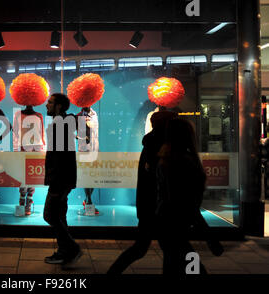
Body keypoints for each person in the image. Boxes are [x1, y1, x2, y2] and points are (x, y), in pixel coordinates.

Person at [107, 110, 177, 274]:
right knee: (174, 250)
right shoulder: (160, 149)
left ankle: (112, 272)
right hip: (158, 209)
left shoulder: (152, 145)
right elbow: (160, 183)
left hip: (150, 208)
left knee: (148, 248)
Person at [155, 117, 208, 275]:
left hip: (167, 223)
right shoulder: (183, 162)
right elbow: (183, 201)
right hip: (175, 225)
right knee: (191, 268)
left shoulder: (166, 159)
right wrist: (208, 235)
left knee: (173, 265)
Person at [43, 93, 82, 265]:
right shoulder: (63, 122)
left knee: (49, 215)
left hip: (59, 179)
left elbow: (60, 157)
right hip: (63, 178)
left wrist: (56, 181)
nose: (46, 105)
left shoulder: (60, 124)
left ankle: (72, 249)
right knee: (59, 215)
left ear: (59, 106)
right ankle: (64, 252)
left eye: (50, 102)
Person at [13, 105, 46, 215]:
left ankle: (29, 200)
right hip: (23, 148)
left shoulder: (39, 115)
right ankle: (22, 198)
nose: (29, 103)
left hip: (36, 148)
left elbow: (42, 134)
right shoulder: (18, 114)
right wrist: (15, 150)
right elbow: (15, 133)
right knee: (23, 176)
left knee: (32, 175)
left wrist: (43, 149)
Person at [76, 106, 100, 214]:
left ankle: (86, 200)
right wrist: (78, 137)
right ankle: (89, 202)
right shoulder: (78, 116)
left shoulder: (94, 115)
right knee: (86, 176)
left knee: (95, 176)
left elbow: (96, 132)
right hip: (84, 150)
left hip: (95, 149)